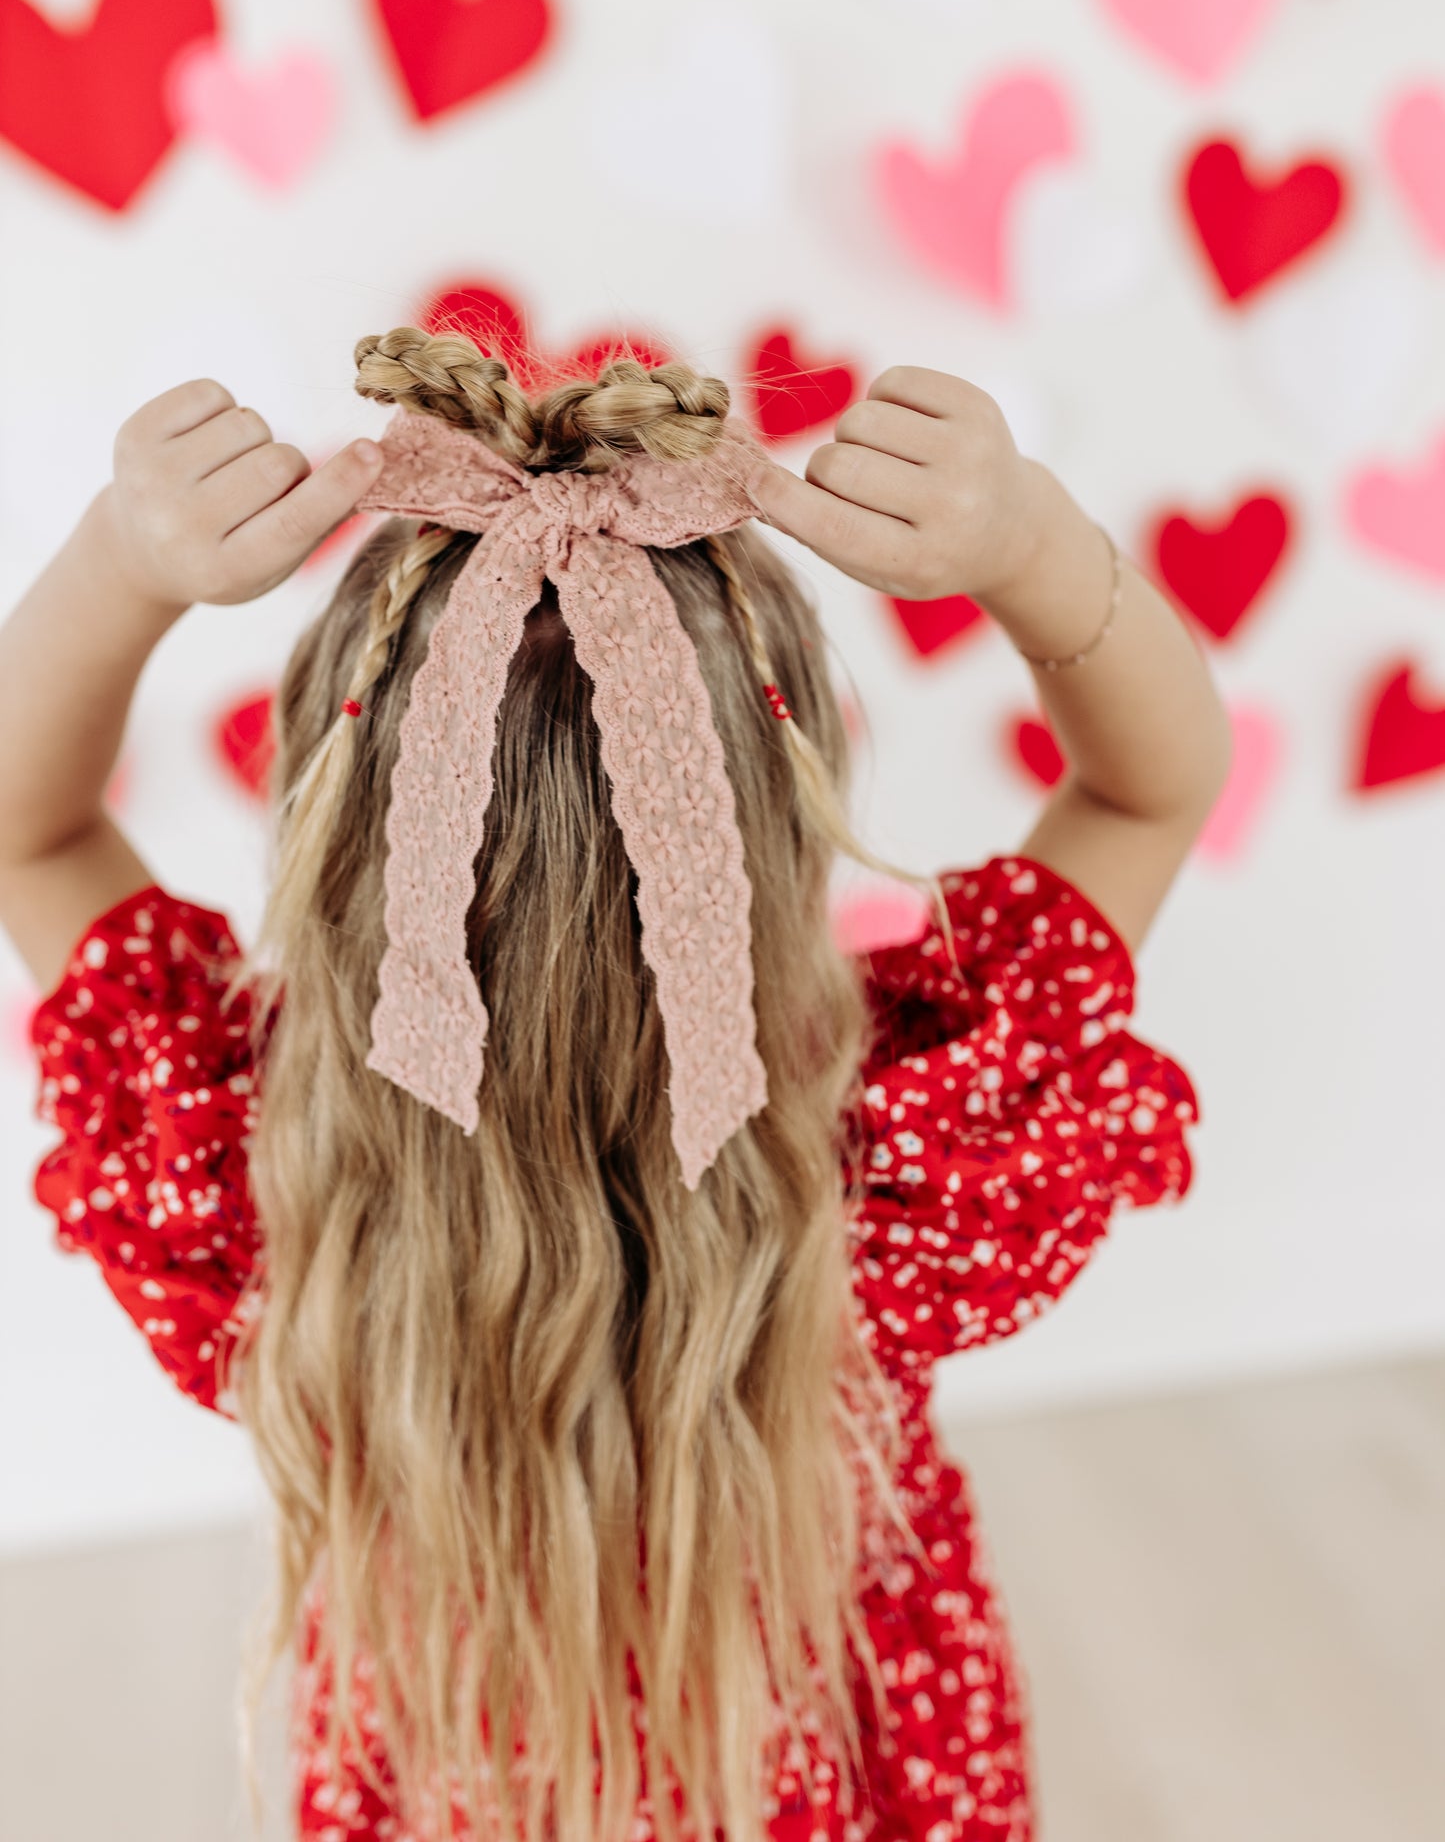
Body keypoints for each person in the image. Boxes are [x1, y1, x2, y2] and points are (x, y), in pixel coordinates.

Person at [0, 331, 1230, 1842]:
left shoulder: (258, 1197)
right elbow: (1145, 786)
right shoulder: (906, 1174)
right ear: (780, 831)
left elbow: (29, 832)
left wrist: (122, 562)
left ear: (337, 838)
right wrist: (1024, 541)